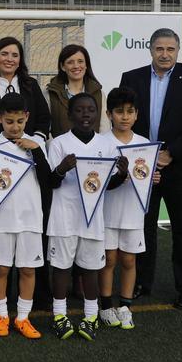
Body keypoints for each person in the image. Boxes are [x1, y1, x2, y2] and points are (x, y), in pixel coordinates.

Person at [119, 28, 182, 308]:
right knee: (142, 228)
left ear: (177, 51)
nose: (165, 54)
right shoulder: (131, 78)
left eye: (170, 49)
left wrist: (171, 152)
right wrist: (144, 156)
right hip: (142, 167)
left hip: (179, 165)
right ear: (150, 50)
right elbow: (125, 120)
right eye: (160, 49)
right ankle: (141, 283)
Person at [45, 93, 128, 341]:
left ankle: (90, 316)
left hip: (92, 219)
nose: (85, 115)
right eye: (79, 110)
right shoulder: (59, 143)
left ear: (97, 114)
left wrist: (122, 175)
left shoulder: (107, 145)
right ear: (70, 115)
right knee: (61, 268)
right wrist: (61, 169)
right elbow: (50, 182)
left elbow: (107, 185)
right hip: (64, 216)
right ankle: (59, 315)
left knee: (90, 268)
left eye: (90, 110)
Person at [0, 92, 53, 340]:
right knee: (1, 268)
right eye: (9, 121)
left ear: (27, 118)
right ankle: (1, 315)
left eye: (20, 122)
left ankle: (22, 318)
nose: (15, 127)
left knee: (28, 270)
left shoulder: (37, 144)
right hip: (1, 219)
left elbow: (49, 180)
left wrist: (36, 152)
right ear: (0, 118)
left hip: (31, 219)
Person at [99, 87, 153, 330]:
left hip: (133, 212)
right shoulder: (101, 143)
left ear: (137, 115)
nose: (124, 117)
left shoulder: (144, 145)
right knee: (109, 259)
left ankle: (125, 306)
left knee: (129, 260)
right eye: (119, 112)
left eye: (130, 112)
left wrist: (154, 178)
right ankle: (106, 306)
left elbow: (147, 175)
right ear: (109, 114)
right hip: (108, 212)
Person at [0, 37, 52, 140]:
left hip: (29, 147)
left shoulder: (31, 85)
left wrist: (36, 140)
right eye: (4, 54)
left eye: (15, 55)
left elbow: (43, 117)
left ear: (19, 61)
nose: (9, 59)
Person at [46, 44, 103, 137]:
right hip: (61, 150)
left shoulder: (98, 93)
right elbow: (46, 128)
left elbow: (103, 128)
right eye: (70, 62)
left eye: (80, 61)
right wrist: (56, 149)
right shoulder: (51, 93)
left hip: (93, 150)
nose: (76, 66)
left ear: (86, 65)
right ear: (62, 66)